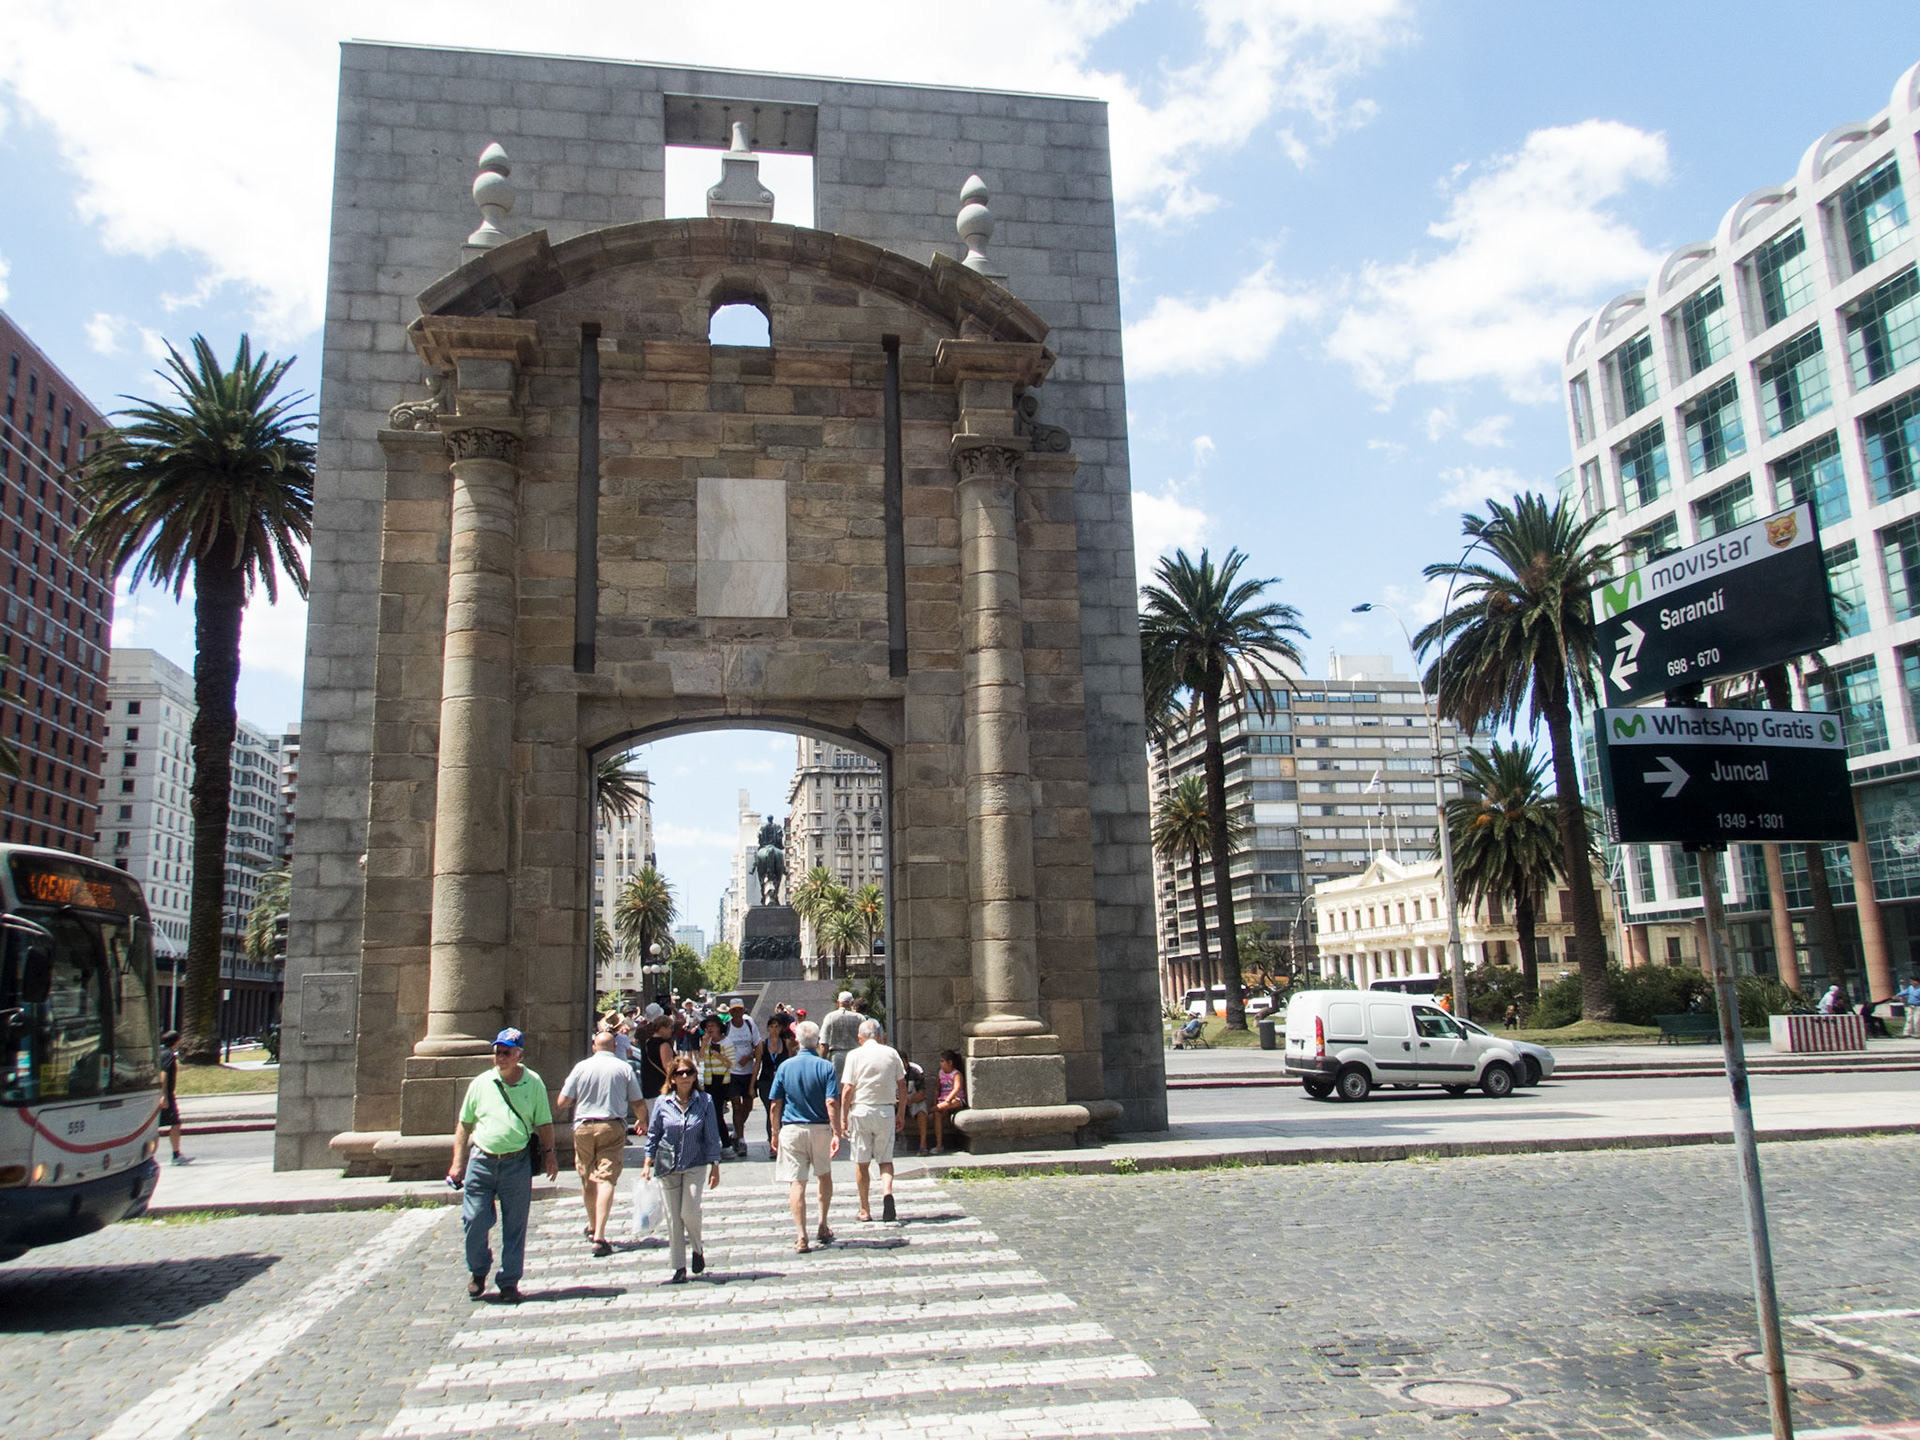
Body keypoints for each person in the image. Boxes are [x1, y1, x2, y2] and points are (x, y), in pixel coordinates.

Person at [446, 1028, 557, 1302]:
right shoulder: (481, 1083)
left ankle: (509, 1281)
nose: (500, 1057)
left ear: (519, 1055)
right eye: (497, 1051)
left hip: (516, 1162)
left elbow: (544, 1123)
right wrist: (457, 1162)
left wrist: (550, 1153)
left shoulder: (533, 1083)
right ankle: (479, 1268)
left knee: (515, 1224)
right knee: (474, 1220)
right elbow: (464, 1125)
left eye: (506, 1052)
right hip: (482, 1160)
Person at [555, 1029, 644, 1257]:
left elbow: (562, 1101)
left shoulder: (580, 1067)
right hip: (611, 1125)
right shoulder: (623, 1068)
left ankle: (593, 1224)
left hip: (583, 1126)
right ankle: (600, 1236)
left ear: (594, 1046)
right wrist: (644, 1121)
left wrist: (580, 1097)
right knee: (606, 1179)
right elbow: (637, 1101)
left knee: (587, 1177)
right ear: (615, 1047)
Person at [641, 1055, 723, 1284]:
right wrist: (648, 1160)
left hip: (695, 1164)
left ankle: (697, 1248)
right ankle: (679, 1266)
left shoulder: (705, 1101)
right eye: (680, 1073)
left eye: (689, 1072)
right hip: (667, 1165)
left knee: (690, 1212)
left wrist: (715, 1165)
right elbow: (654, 1132)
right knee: (673, 1218)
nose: (685, 1076)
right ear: (673, 1078)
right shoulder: (662, 1102)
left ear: (695, 1076)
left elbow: (711, 1135)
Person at [768, 1019, 840, 1252]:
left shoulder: (785, 1067)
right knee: (824, 1176)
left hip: (792, 1128)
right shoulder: (826, 1066)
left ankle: (801, 1235)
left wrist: (775, 1133)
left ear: (797, 1041)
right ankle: (823, 1223)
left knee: (797, 1182)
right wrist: (837, 1131)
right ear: (818, 1041)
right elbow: (831, 1101)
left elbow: (775, 1104)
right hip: (819, 1128)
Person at [840, 1019, 908, 1222]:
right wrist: (901, 1112)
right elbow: (902, 1087)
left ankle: (865, 1208)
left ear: (860, 1038)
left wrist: (843, 1118)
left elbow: (847, 1090)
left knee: (861, 1162)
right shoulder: (891, 1053)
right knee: (885, 1160)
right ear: (879, 1036)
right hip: (886, 1110)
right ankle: (887, 1192)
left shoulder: (854, 1055)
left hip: (861, 1110)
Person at [722, 999, 764, 1159]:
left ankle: (736, 1132)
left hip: (748, 1072)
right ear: (730, 1012)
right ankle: (741, 1139)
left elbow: (758, 1047)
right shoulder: (727, 1028)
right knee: (736, 1105)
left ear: (743, 1011)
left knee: (748, 1105)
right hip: (732, 1072)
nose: (737, 1013)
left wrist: (749, 1056)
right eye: (734, 1011)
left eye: (739, 1010)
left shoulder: (749, 1025)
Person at [696, 1015, 735, 1153]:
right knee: (709, 1112)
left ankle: (726, 1143)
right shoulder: (707, 1041)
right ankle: (714, 1142)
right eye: (708, 1027)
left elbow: (731, 1064)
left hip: (722, 1081)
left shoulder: (726, 1042)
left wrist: (718, 1055)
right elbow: (700, 1059)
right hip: (709, 1080)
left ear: (719, 1027)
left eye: (712, 1026)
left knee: (717, 1112)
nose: (710, 1029)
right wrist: (704, 1045)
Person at [758, 1015, 797, 1142]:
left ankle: (782, 1139)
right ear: (767, 1028)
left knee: (782, 1110)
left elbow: (791, 1061)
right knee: (770, 1110)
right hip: (766, 1080)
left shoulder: (786, 1043)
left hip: (782, 1081)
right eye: (771, 1027)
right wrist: (752, 1084)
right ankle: (772, 1140)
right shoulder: (762, 1045)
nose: (774, 1029)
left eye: (777, 1027)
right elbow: (757, 1064)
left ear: (780, 1028)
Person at [157, 1030, 188, 1165]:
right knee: (175, 1124)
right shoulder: (169, 1055)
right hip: (166, 1095)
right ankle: (176, 1155)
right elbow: (163, 1074)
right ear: (175, 1041)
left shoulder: (161, 1053)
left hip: (163, 1094)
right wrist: (164, 1096)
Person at [821, 990, 863, 1077]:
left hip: (836, 1056)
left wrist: (822, 1061)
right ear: (852, 1003)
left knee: (837, 1084)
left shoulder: (830, 1017)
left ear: (838, 1002)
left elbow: (824, 1042)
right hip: (856, 1055)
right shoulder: (860, 1018)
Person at [931, 1049, 965, 1152]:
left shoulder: (956, 1074)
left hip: (955, 1099)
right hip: (943, 1100)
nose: (940, 1064)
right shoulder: (940, 1073)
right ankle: (939, 1145)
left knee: (945, 1105)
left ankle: (929, 1110)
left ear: (950, 1063)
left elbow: (957, 1088)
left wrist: (948, 1099)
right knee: (938, 1114)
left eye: (942, 1061)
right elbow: (937, 1089)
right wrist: (936, 1101)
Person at [904, 1058, 930, 1156]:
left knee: (921, 1111)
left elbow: (922, 1093)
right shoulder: (890, 1069)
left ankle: (923, 1146)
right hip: (896, 1102)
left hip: (913, 1100)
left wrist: (910, 1101)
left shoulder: (915, 1071)